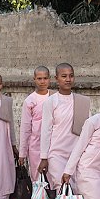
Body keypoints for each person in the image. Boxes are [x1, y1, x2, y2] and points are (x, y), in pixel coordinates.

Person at [38, 63, 90, 192]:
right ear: (56, 78)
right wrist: (44, 157)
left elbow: (89, 127)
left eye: (71, 76)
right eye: (64, 76)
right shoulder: (51, 102)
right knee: (60, 187)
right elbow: (46, 131)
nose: (68, 79)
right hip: (57, 153)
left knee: (76, 190)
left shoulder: (82, 101)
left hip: (77, 152)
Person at [19, 66, 51, 180]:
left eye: (45, 78)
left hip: (54, 145)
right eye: (39, 78)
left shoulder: (54, 97)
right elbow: (25, 128)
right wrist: (22, 153)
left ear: (50, 79)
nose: (42, 82)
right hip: (36, 146)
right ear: (34, 79)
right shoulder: (30, 100)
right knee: (38, 180)